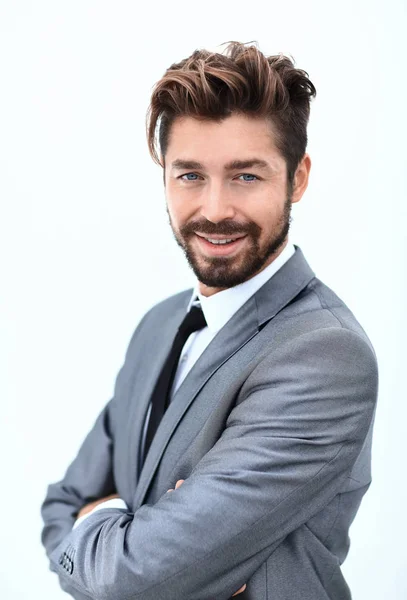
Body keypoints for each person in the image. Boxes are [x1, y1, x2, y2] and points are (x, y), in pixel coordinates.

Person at [40, 40, 379, 600]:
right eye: (190, 175)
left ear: (297, 178)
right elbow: (63, 502)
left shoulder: (325, 353)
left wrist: (110, 534)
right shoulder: (158, 327)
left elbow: (132, 579)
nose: (216, 209)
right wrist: (125, 539)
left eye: (246, 176)